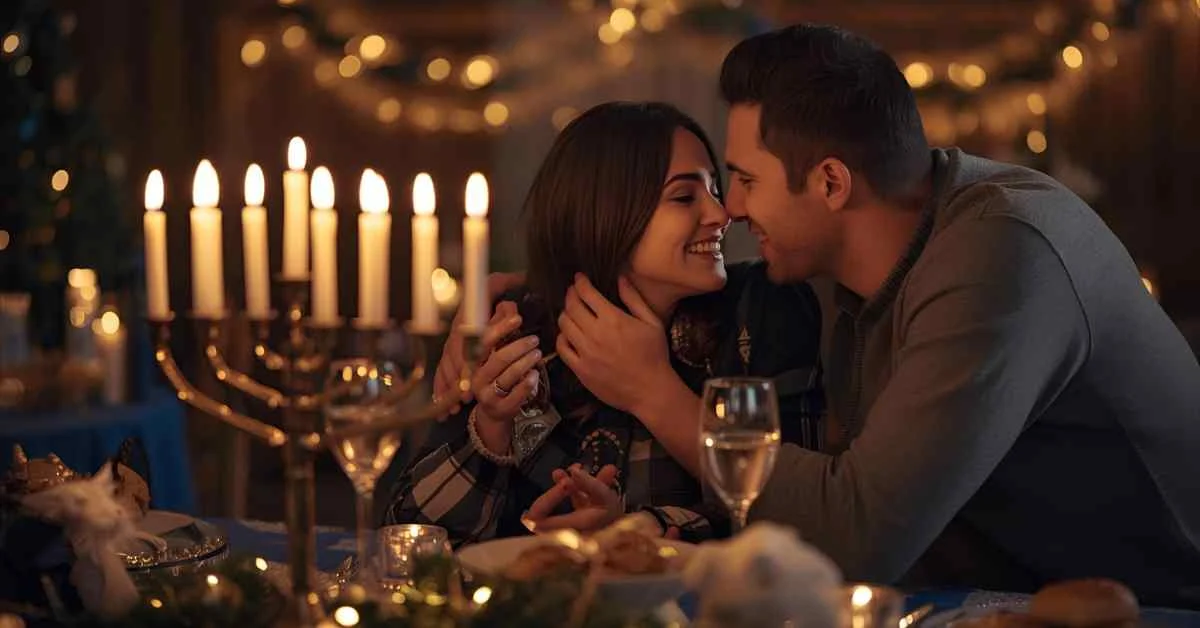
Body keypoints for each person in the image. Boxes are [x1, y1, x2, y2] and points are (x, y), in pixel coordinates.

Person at [434, 24, 1200, 609]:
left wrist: (658, 396)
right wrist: (516, 299)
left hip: (1151, 607)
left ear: (831, 183)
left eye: (742, 181)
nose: (730, 211)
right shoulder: (839, 263)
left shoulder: (1002, 258)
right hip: (981, 601)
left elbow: (860, 538)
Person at [384, 102, 824, 546]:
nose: (721, 213)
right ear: (606, 212)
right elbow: (410, 537)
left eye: (714, 188)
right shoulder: (518, 327)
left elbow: (792, 519)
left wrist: (637, 530)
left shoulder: (761, 309)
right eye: (685, 196)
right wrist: (492, 429)